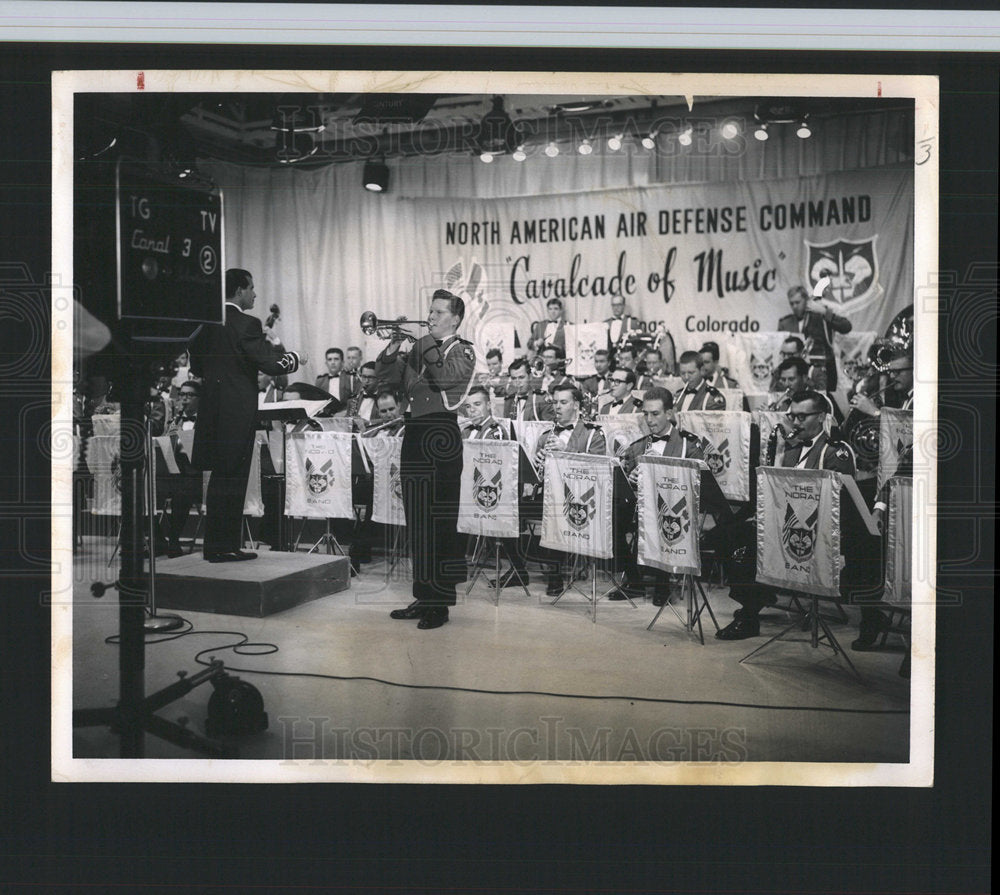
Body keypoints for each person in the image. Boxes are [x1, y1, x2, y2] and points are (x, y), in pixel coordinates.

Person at [714, 389, 856, 640]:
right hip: (785, 525)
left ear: (822, 416)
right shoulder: (791, 450)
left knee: (745, 545)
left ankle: (749, 613)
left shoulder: (836, 451)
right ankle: (756, 597)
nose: (797, 422)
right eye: (793, 417)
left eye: (803, 417)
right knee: (725, 535)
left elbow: (841, 505)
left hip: (815, 532)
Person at [374, 289, 476, 629]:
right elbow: (387, 381)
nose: (430, 316)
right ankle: (423, 595)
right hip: (415, 433)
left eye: (437, 312)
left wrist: (422, 343)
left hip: (441, 435)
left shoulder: (464, 351)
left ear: (455, 319)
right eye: (429, 311)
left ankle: (441, 604)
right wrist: (391, 349)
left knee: (440, 522)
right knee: (417, 519)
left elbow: (445, 377)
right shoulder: (422, 349)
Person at [189, 268, 303, 563]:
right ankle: (226, 547)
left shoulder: (206, 323)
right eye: (251, 288)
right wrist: (293, 359)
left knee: (218, 478)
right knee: (236, 478)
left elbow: (198, 368)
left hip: (212, 411)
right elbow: (271, 364)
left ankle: (214, 546)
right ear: (239, 290)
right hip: (237, 412)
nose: (254, 294)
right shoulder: (246, 322)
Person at [616, 386, 706, 605]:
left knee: (662, 520)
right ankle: (635, 579)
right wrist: (631, 478)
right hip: (642, 507)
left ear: (669, 413)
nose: (649, 419)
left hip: (675, 510)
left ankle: (662, 583)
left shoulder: (689, 445)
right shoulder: (638, 446)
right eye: (645, 414)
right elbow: (625, 483)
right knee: (612, 520)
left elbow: (700, 487)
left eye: (655, 414)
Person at [531, 383, 607, 595]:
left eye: (563, 402)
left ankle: (555, 574)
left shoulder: (593, 434)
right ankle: (547, 574)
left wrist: (567, 451)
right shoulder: (546, 436)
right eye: (555, 402)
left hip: (584, 498)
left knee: (557, 511)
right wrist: (539, 464)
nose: (557, 407)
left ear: (576, 405)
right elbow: (538, 477)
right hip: (554, 496)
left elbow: (599, 469)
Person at [156, 380, 203, 557]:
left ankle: (173, 541)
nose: (184, 399)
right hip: (176, 471)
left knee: (181, 493)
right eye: (182, 395)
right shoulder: (175, 419)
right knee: (147, 492)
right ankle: (159, 540)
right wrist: (170, 438)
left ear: (199, 398)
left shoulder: (206, 421)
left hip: (197, 474)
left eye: (189, 395)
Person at [779, 284, 853, 391]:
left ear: (807, 300)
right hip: (795, 373)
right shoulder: (785, 323)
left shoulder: (820, 315)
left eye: (797, 302)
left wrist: (824, 312)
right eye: (792, 303)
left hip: (821, 368)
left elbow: (846, 327)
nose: (794, 306)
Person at [765, 357, 840, 421]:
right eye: (783, 380)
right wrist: (770, 417)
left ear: (804, 378)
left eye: (791, 379)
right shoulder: (785, 404)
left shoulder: (821, 400)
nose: (786, 384)